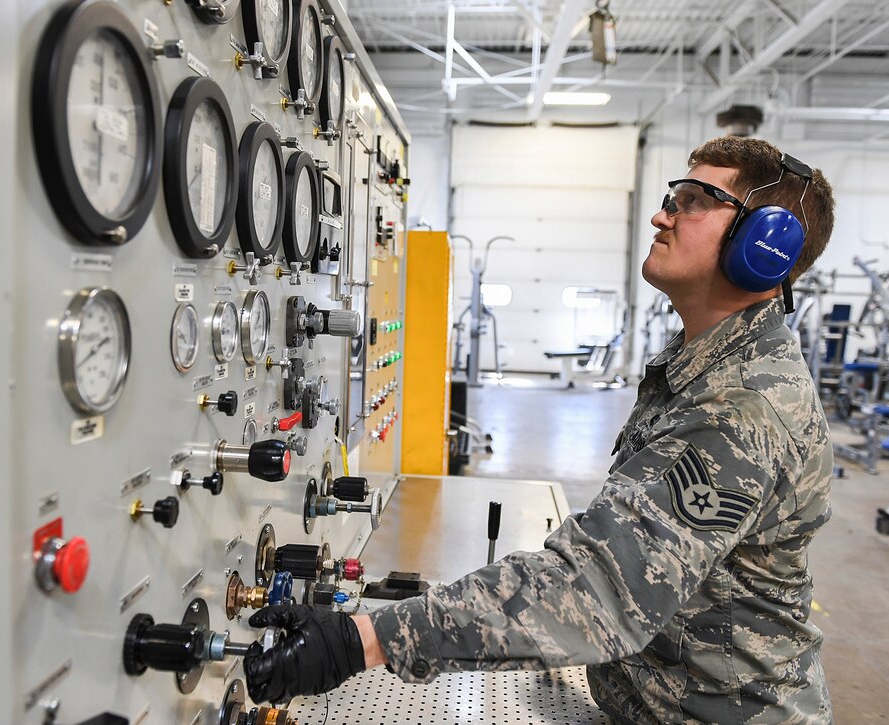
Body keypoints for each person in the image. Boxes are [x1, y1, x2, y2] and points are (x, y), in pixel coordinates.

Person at [243, 136, 837, 723]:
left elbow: (601, 588)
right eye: (671, 196)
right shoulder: (707, 360)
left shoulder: (744, 408)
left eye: (693, 200)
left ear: (766, 243)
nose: (663, 214)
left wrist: (362, 640)